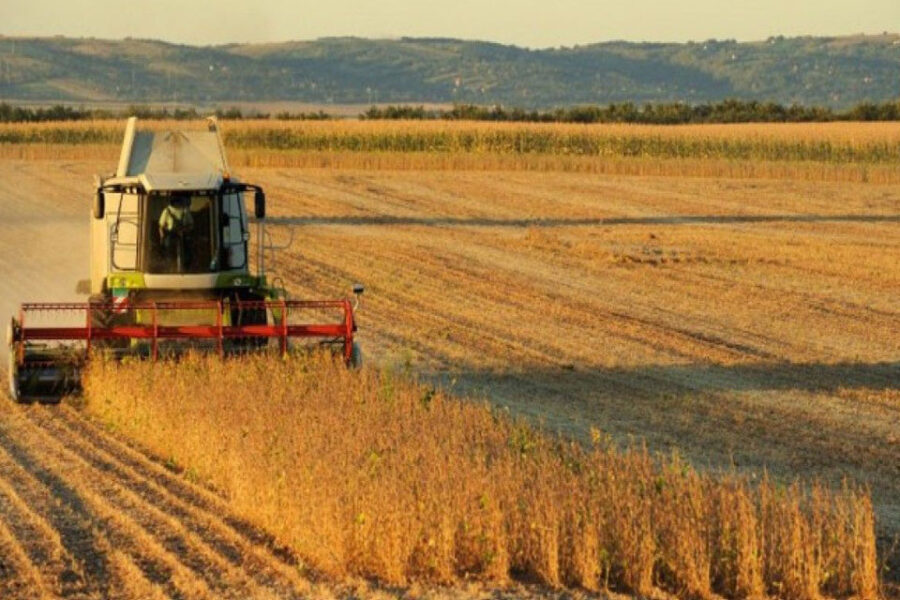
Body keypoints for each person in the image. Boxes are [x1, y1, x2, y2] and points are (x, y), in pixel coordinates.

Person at [158, 195, 194, 271]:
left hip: (183, 234)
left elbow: (191, 225)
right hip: (171, 234)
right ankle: (169, 266)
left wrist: (185, 230)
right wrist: (162, 237)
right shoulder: (167, 211)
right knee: (167, 247)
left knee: (189, 248)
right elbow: (161, 226)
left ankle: (187, 266)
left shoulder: (185, 210)